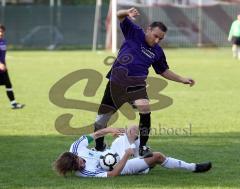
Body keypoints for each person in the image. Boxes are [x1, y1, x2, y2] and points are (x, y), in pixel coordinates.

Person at [94, 7, 195, 157]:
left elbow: (163, 70)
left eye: (160, 38)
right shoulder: (135, 32)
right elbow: (118, 15)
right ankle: (99, 147)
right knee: (101, 119)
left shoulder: (158, 52)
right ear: (148, 29)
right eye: (155, 36)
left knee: (145, 107)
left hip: (137, 85)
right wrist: (126, 13)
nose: (156, 40)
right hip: (116, 83)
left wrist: (182, 79)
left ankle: (143, 146)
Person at [53, 126, 212, 178]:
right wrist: (126, 155)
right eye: (78, 167)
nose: (81, 165)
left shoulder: (76, 147)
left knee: (131, 129)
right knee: (157, 156)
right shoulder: (85, 173)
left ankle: (141, 153)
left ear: (75, 155)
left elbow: (95, 135)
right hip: (120, 166)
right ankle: (194, 167)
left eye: (79, 161)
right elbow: (113, 174)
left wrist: (110, 129)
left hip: (111, 152)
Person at [0, 24, 24, 109]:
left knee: (8, 85)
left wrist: (4, 64)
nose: (1, 33)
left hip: (3, 69)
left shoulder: (3, 41)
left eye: (2, 31)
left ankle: (14, 104)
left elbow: (2, 56)